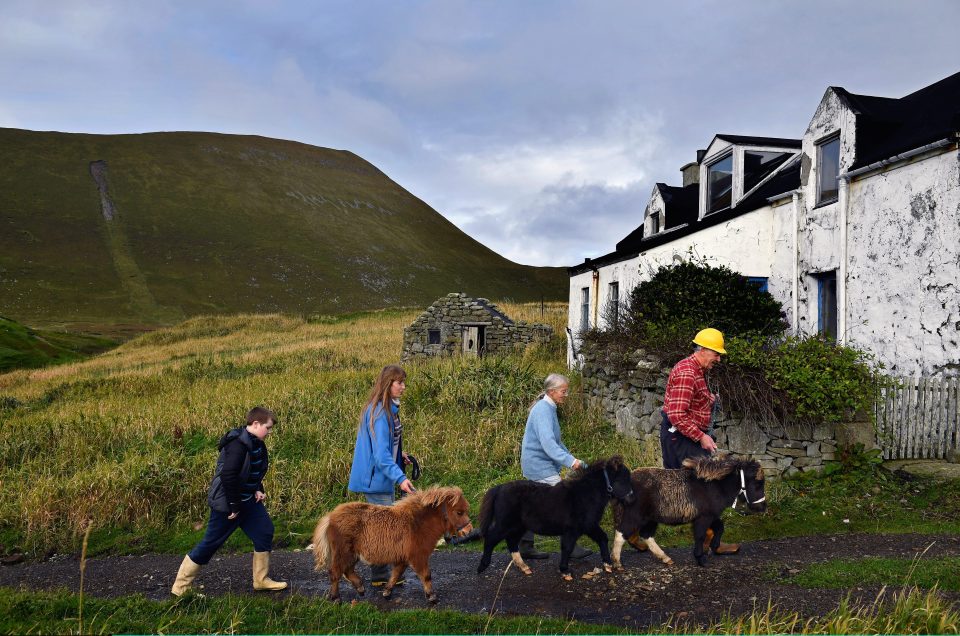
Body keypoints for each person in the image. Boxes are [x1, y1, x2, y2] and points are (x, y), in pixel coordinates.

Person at [171, 406, 287, 596]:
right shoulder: (237, 445)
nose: (270, 432)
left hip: (248, 501)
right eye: (268, 427)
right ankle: (181, 587)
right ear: (256, 424)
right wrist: (234, 505)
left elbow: (254, 470)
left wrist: (257, 489)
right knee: (211, 543)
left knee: (264, 531)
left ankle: (261, 580)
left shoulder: (256, 443)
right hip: (228, 505)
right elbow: (229, 475)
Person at [660, 327, 739, 555]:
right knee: (702, 489)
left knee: (703, 489)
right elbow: (676, 414)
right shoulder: (687, 372)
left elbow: (688, 402)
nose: (719, 358)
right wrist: (701, 436)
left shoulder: (696, 370)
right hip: (681, 439)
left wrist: (708, 399)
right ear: (703, 350)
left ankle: (710, 540)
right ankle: (633, 529)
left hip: (684, 437)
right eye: (716, 353)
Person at [347, 364, 415, 586]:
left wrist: (400, 456)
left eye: (404, 382)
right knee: (383, 530)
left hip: (381, 475)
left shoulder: (387, 409)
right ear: (388, 384)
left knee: (381, 527)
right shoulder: (380, 412)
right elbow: (380, 455)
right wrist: (401, 478)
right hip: (376, 479)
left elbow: (387, 447)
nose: (403, 387)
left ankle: (382, 576)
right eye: (399, 383)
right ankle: (380, 577)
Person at [519, 373, 593, 560]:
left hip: (538, 464)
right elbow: (548, 445)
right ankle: (569, 546)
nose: (565, 395)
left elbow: (557, 443)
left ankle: (525, 546)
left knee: (533, 504)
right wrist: (571, 462)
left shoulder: (548, 408)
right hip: (538, 465)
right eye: (563, 391)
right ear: (551, 392)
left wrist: (572, 459)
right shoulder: (543, 410)